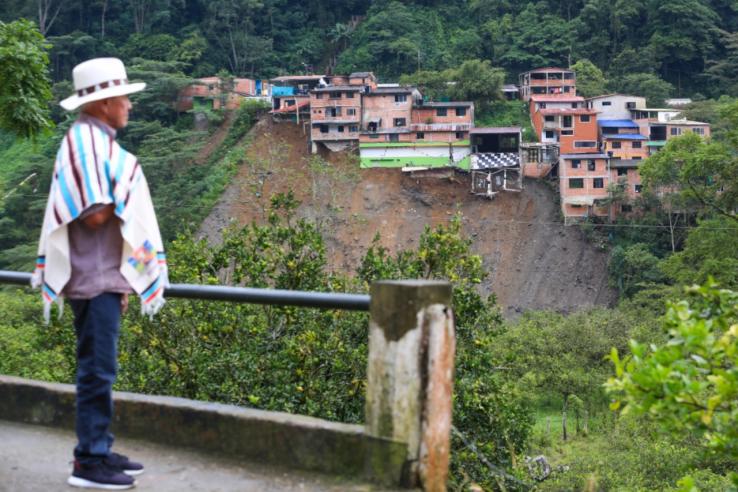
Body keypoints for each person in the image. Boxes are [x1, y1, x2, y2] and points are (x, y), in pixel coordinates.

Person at [32, 57, 168, 490]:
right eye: (124, 97)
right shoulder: (86, 144)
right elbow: (91, 215)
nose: (129, 104)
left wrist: (124, 280)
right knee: (96, 371)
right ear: (104, 102)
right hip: (92, 280)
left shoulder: (95, 143)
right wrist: (129, 187)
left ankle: (99, 447)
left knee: (100, 368)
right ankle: (88, 462)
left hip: (103, 279)